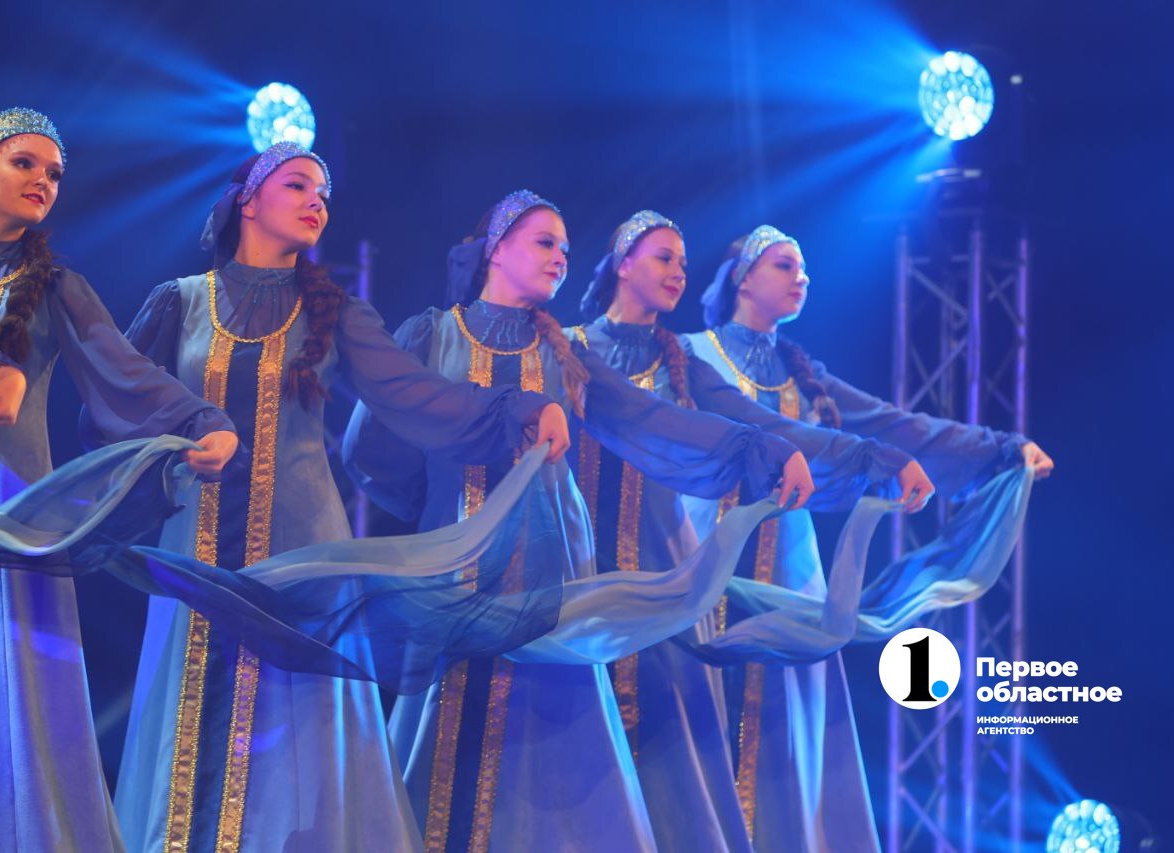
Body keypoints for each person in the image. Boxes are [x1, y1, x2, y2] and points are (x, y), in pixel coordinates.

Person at [96, 146, 572, 852]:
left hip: (305, 551)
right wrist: (169, 452)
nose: (317, 199)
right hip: (196, 546)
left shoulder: (336, 313)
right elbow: (120, 400)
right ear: (247, 200)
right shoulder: (181, 302)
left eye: (323, 190)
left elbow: (413, 393)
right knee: (191, 724)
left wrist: (519, 407)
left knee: (295, 742)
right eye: (297, 184)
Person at [344, 190, 811, 851]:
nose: (560, 256)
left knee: (550, 760)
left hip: (546, 582)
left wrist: (765, 448)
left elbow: (653, 419)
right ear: (496, 248)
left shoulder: (566, 357)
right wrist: (439, 511)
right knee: (444, 750)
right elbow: (371, 443)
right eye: (545, 242)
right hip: (455, 580)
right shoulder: (433, 334)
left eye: (565, 247)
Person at [0, 107, 237, 852]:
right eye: (25, 163)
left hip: (7, 527)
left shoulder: (54, 287)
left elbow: (127, 374)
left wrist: (202, 419)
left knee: (0, 707)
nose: (43, 181)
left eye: (54, 174)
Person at [685, 224, 1054, 852]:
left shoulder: (802, 375)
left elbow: (898, 427)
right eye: (784, 265)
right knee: (700, 716)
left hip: (789, 571)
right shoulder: (691, 355)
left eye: (804, 267)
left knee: (782, 731)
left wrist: (1001, 449)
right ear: (743, 278)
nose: (802, 277)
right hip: (704, 553)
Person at [572, 210, 926, 852]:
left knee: (727, 734)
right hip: (634, 561)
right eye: (785, 265)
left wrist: (897, 457)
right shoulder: (654, 349)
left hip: (747, 576)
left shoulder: (717, 364)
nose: (801, 279)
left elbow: (838, 426)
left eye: (683, 262)